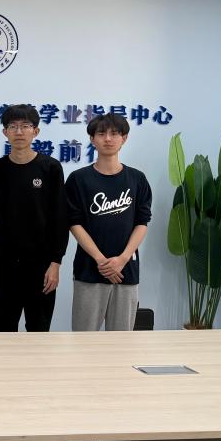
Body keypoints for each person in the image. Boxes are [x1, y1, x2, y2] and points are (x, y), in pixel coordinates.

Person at [0, 105, 69, 332]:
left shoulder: (51, 168)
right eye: (13, 127)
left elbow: (60, 218)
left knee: (39, 328)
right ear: (5, 132)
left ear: (36, 131)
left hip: (41, 265)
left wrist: (56, 263)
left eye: (25, 126)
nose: (19, 132)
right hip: (2, 264)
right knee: (3, 327)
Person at [66, 113, 152, 331]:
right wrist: (101, 260)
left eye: (114, 133)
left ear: (124, 138)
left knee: (121, 342)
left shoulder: (137, 179)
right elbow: (74, 223)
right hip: (89, 270)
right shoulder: (78, 179)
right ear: (92, 139)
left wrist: (122, 259)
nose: (108, 138)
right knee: (84, 339)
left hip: (126, 271)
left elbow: (142, 222)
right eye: (101, 133)